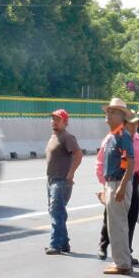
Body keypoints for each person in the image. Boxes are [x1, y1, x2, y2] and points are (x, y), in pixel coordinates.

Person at [97, 114, 139, 262]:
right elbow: (101, 163)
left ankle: (126, 251)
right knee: (111, 216)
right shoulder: (113, 138)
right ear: (125, 124)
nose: (134, 127)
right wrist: (105, 185)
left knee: (131, 217)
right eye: (131, 124)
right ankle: (103, 245)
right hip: (117, 180)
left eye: (136, 124)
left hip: (133, 181)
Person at [99, 98, 136, 275]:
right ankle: (120, 261)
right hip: (111, 183)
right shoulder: (112, 136)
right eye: (108, 111)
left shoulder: (123, 136)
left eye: (112, 112)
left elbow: (131, 163)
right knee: (114, 225)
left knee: (118, 225)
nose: (108, 114)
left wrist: (121, 187)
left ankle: (123, 264)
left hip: (118, 183)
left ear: (121, 117)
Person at [44, 109, 83, 255]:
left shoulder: (67, 137)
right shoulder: (54, 136)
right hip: (51, 180)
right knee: (57, 211)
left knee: (56, 212)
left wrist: (71, 174)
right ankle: (64, 243)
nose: (54, 122)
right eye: (53, 119)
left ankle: (55, 244)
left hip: (61, 181)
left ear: (65, 122)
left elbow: (78, 155)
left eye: (57, 119)